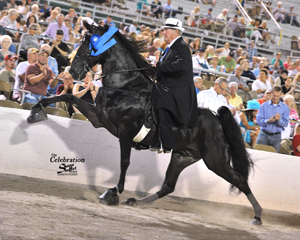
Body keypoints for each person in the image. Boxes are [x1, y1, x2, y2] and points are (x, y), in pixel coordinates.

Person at [152, 18, 198, 153]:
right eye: (163, 30)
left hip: (178, 91)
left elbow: (182, 66)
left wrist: (159, 65)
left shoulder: (182, 46)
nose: (163, 32)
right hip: (170, 87)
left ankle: (165, 143)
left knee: (161, 104)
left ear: (176, 31)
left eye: (166, 30)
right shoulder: (172, 47)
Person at [256, 86, 290, 153]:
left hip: (276, 136)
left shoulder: (285, 108)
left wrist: (279, 120)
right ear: (271, 94)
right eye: (274, 95)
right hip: (263, 134)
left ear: (280, 95)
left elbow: (285, 124)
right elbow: (259, 121)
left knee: (274, 158)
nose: (276, 98)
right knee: (258, 153)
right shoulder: (263, 106)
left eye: (278, 96)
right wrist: (268, 121)